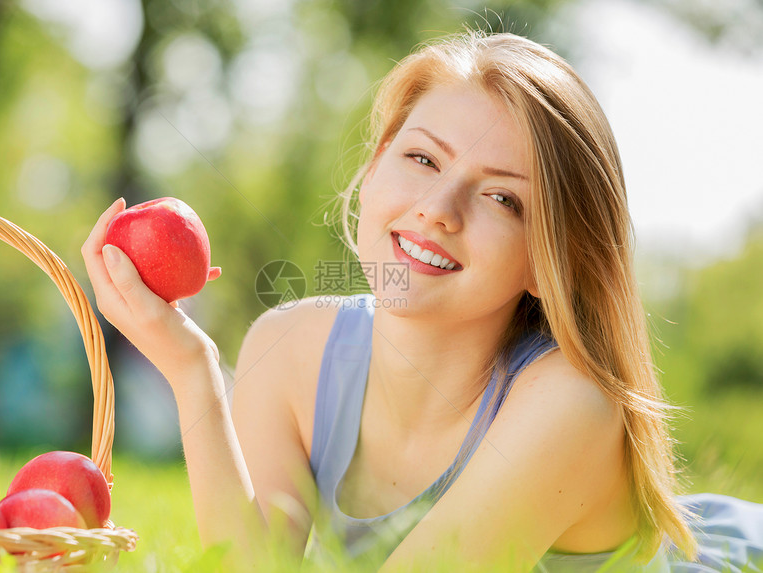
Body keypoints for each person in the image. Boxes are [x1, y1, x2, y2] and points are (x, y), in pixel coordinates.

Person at [82, 30, 763, 572]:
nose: (439, 210)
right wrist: (190, 369)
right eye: (423, 159)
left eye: (502, 197)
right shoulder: (287, 347)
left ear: (548, 261)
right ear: (374, 164)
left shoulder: (573, 403)